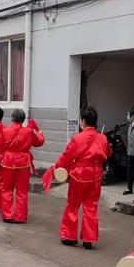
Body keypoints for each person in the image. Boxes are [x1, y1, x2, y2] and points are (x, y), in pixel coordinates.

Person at [55, 106, 111, 250]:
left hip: (79, 174)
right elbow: (108, 152)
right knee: (91, 206)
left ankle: (69, 236)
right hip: (96, 175)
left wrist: (58, 167)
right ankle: (88, 239)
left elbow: (67, 156)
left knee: (73, 205)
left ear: (83, 121)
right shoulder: (102, 138)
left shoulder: (77, 138)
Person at [0, 110, 45, 224]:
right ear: (23, 119)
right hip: (23, 162)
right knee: (22, 190)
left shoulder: (5, 130)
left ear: (12, 118)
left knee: (7, 189)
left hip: (8, 161)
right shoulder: (29, 131)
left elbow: (0, 145)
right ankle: (20, 216)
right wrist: (40, 133)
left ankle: (7, 215)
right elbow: (39, 142)